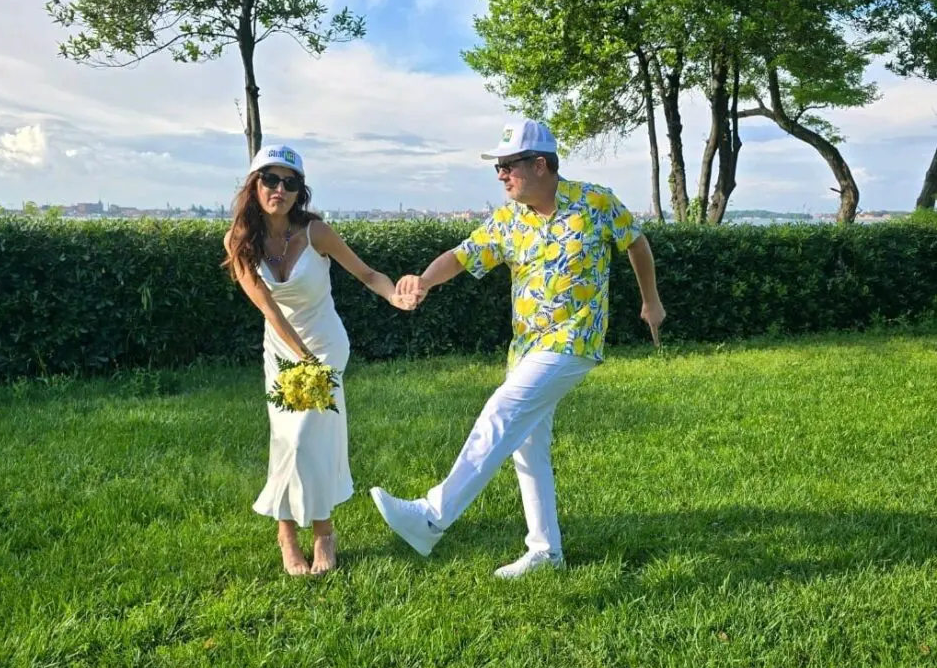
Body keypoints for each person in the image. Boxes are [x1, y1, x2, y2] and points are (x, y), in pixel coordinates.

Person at [370, 120, 666, 579]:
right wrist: (424, 280)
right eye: (499, 168)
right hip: (525, 347)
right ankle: (545, 552)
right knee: (528, 447)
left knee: (501, 412)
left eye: (508, 166)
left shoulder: (595, 202)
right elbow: (463, 255)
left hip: (573, 340)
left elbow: (637, 243)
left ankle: (431, 516)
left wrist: (651, 300)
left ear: (540, 164)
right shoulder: (508, 219)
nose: (501, 175)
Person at [224, 144, 412, 577]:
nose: (280, 189)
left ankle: (323, 532)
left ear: (299, 192)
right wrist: (298, 356)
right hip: (282, 350)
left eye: (290, 183)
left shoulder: (316, 233)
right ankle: (287, 535)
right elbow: (268, 308)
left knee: (310, 435)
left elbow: (366, 273)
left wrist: (394, 295)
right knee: (288, 440)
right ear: (254, 185)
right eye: (270, 179)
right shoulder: (239, 240)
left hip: (326, 346)